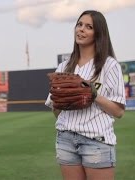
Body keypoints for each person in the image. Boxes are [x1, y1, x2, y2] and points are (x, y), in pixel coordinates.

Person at [45, 10, 126, 180]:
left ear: (98, 34)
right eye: (79, 24)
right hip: (65, 139)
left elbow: (118, 111)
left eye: (89, 27)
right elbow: (56, 110)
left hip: (95, 140)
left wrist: (93, 93)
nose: (81, 29)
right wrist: (64, 101)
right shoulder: (63, 67)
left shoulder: (110, 66)